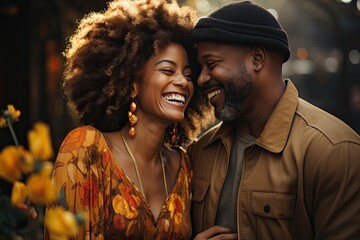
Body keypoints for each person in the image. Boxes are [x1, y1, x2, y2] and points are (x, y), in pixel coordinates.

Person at [188, 1, 360, 239]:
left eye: (212, 64)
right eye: (200, 67)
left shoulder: (335, 153)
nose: (201, 79)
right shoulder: (199, 152)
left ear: (257, 58)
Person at [44, 0, 213, 239]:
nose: (183, 82)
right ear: (132, 84)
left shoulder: (183, 166)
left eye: (188, 74)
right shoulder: (86, 149)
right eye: (167, 70)